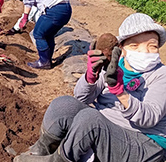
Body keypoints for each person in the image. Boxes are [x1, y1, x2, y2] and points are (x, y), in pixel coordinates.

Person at [14, 13, 166, 162]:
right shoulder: (113, 66)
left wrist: (120, 92)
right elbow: (81, 98)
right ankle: (40, 150)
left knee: (90, 119)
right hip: (107, 129)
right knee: (64, 104)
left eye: (152, 46)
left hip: (144, 143)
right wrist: (91, 76)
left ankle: (58, 160)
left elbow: (149, 118)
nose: (145, 51)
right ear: (122, 48)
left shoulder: (161, 75)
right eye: (135, 45)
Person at [9, 0, 72, 69]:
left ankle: (44, 62)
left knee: (38, 33)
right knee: (48, 35)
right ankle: (47, 60)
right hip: (66, 8)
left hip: (55, 9)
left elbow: (28, 2)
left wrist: (25, 18)